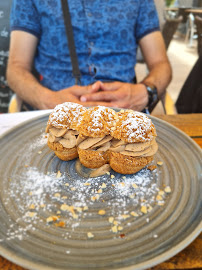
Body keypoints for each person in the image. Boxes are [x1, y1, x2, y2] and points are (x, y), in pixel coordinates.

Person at [7, 0, 172, 112]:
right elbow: (16, 67)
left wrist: (146, 91)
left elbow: (161, 64)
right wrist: (48, 100)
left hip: (122, 114)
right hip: (54, 114)